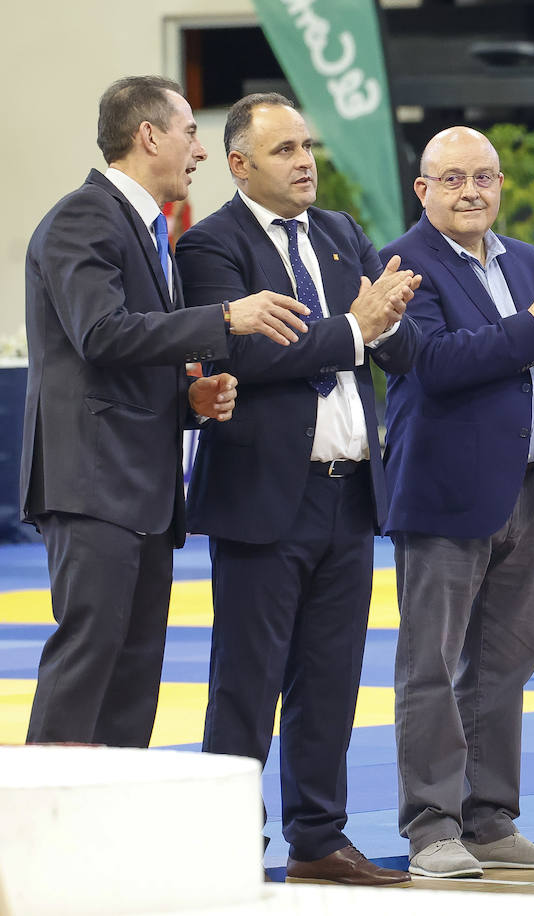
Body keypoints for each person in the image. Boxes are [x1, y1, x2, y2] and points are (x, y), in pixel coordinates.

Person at [21, 75, 311, 750]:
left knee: (132, 673)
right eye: (189, 133)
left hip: (138, 488)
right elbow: (101, 333)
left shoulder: (141, 230)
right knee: (90, 664)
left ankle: (111, 832)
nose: (200, 152)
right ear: (148, 135)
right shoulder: (83, 218)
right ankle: (39, 838)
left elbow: (118, 360)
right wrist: (224, 317)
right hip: (95, 486)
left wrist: (188, 401)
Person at [175, 92, 420, 887]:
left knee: (331, 679)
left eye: (307, 145)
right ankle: (222, 840)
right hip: (263, 497)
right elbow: (251, 356)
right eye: (284, 151)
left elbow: (383, 333)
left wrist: (382, 322)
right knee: (245, 682)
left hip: (350, 492)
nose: (305, 161)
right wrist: (355, 328)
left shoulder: (342, 231)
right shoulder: (210, 247)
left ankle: (318, 839)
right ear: (240, 164)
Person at [382, 126, 534, 879]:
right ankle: (431, 827)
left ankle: (491, 819)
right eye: (453, 179)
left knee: (507, 663)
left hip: (523, 487)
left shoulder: (528, 260)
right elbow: (438, 365)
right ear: (424, 191)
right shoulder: (403, 263)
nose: (471, 191)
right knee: (432, 666)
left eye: (484, 177)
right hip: (444, 494)